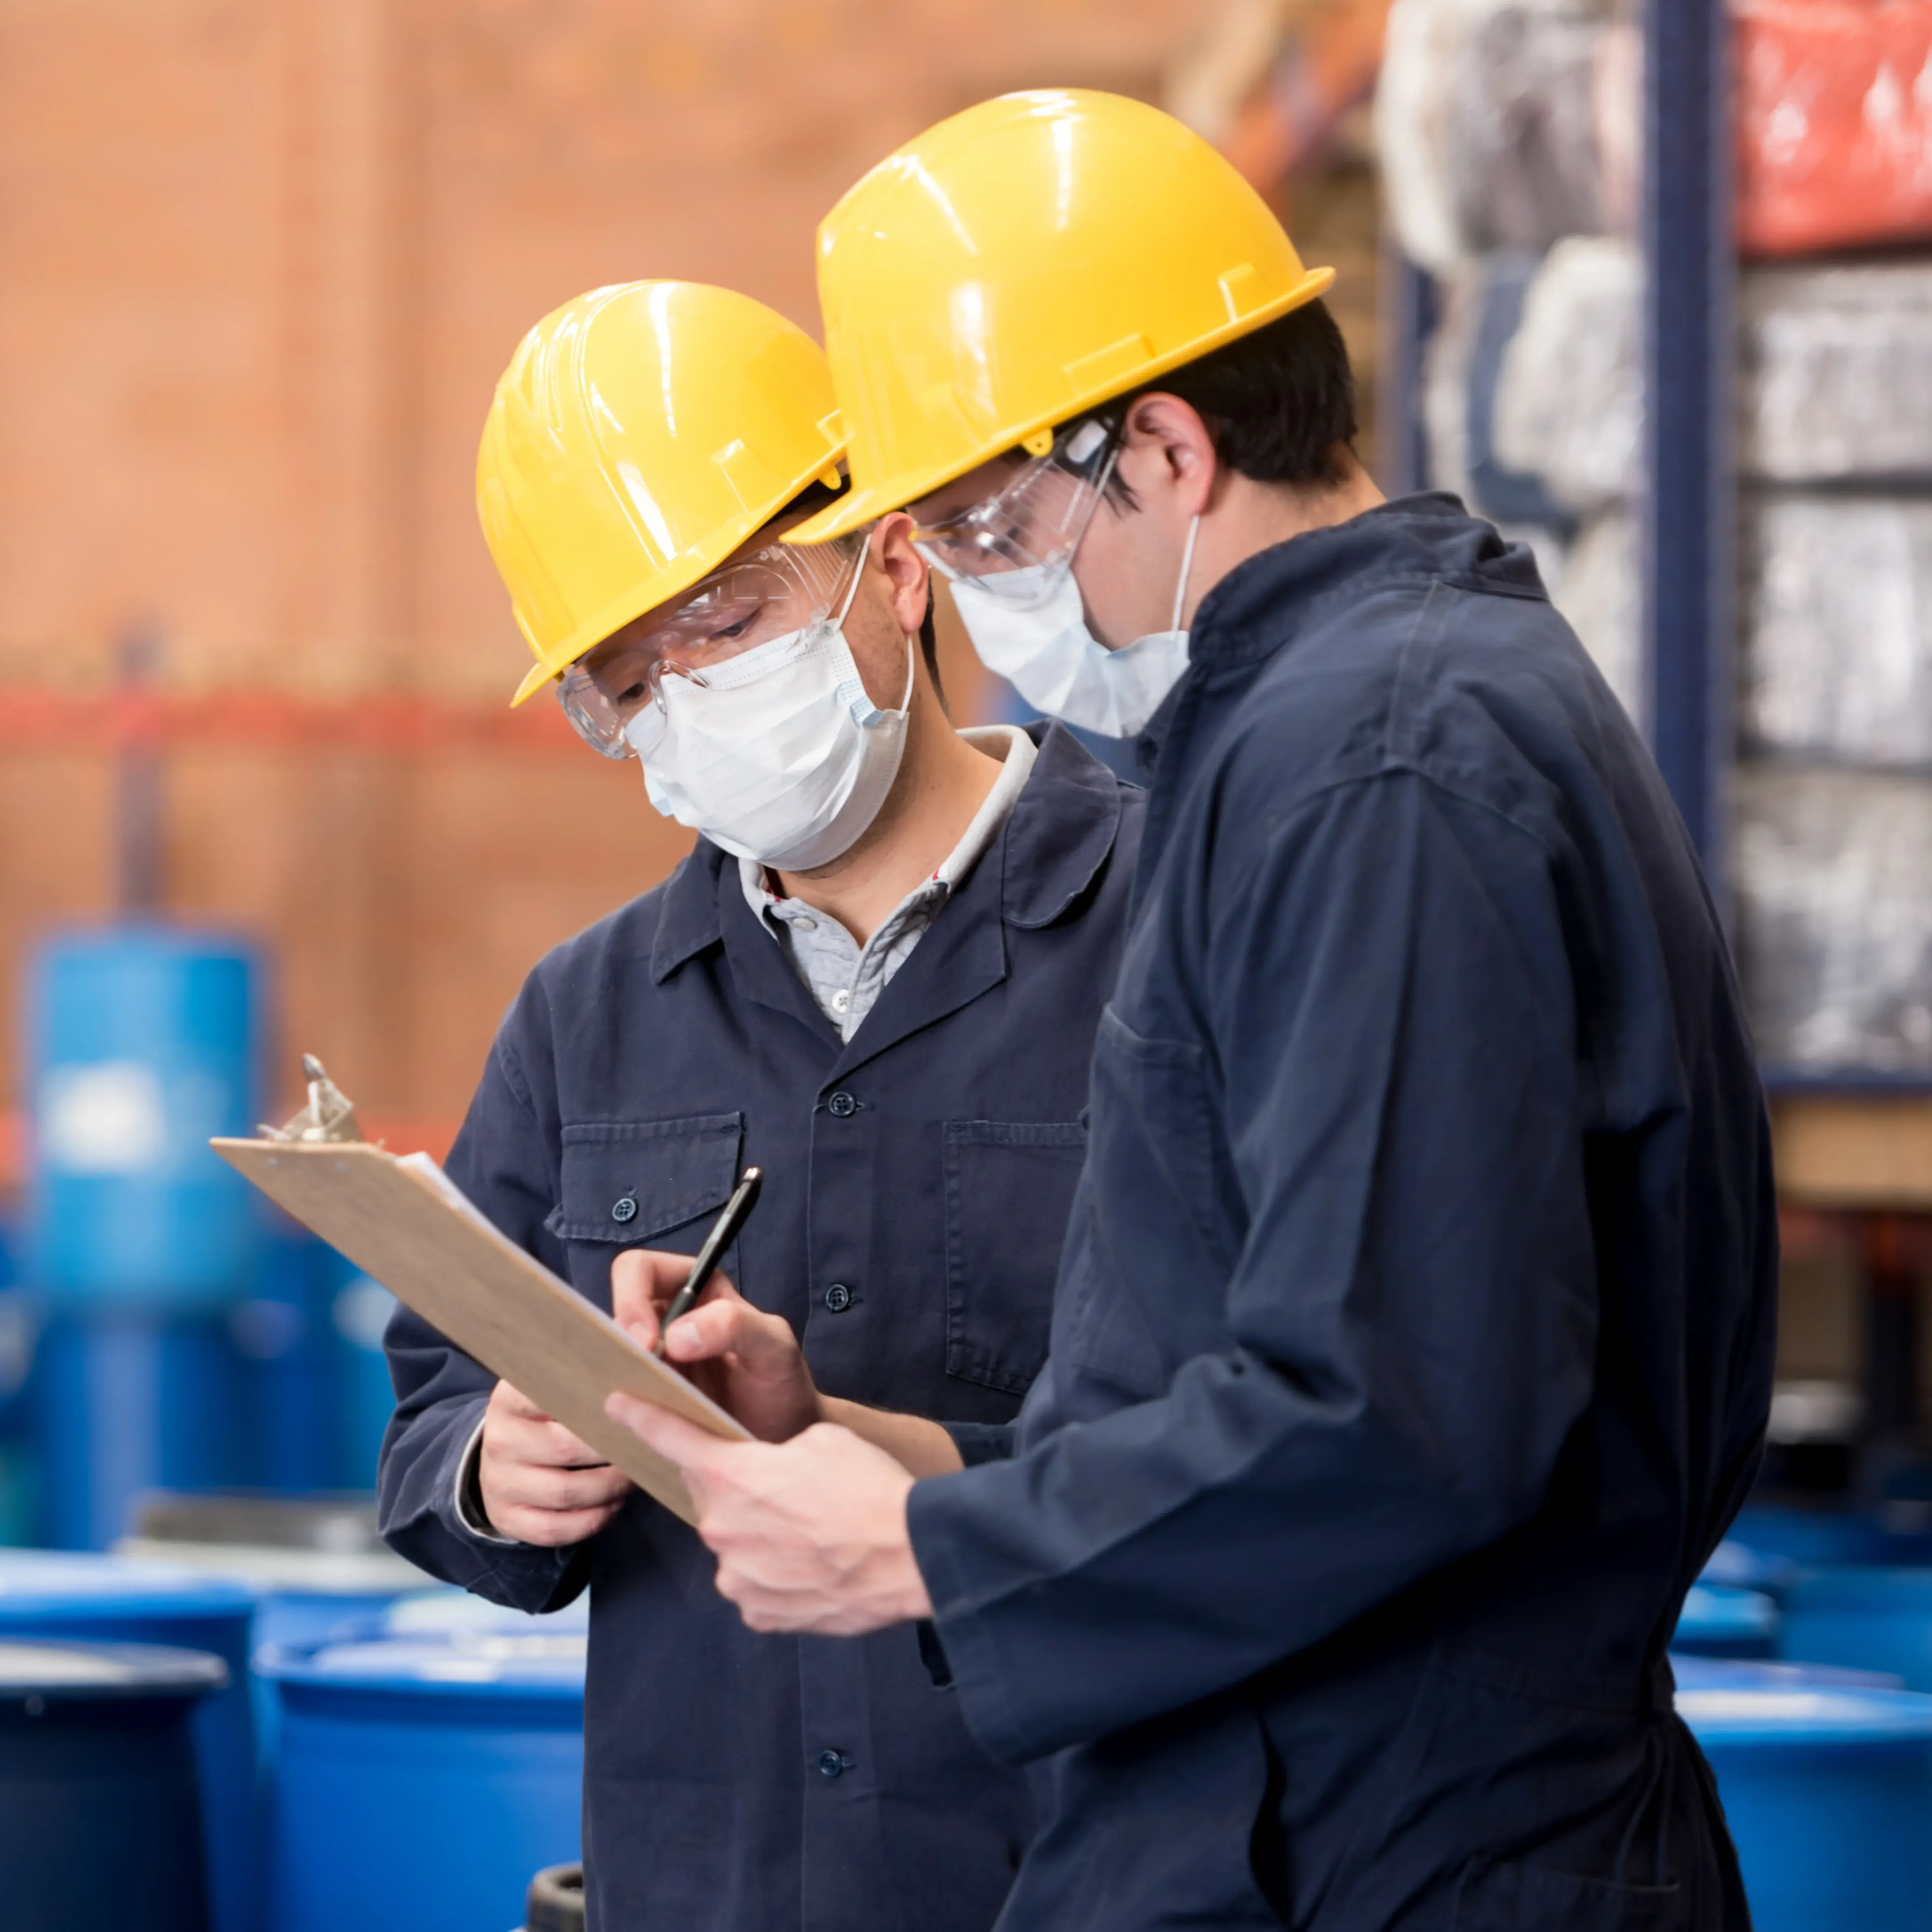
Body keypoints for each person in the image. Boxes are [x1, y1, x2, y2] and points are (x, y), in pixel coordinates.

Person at [605, 95, 1779, 1931]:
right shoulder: (1304, 730)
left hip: (1392, 1853)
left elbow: (1401, 1412)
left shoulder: (1378, 762)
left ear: (1161, 446)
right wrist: (864, 1435)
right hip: (1313, 1819)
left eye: (992, 527)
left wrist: (924, 1551)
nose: (983, 609)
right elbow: (1242, 1378)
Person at [376, 279, 1146, 1932]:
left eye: (721, 623)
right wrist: (494, 1473)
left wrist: (888, 1456)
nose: (686, 702)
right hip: (707, 1884)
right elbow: (432, 1404)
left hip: (1083, 1875)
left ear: (895, 563)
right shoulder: (585, 1015)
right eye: (626, 679)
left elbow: (1272, 1427)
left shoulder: (1177, 936)